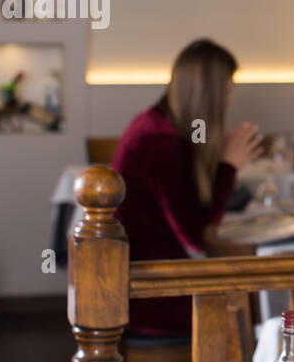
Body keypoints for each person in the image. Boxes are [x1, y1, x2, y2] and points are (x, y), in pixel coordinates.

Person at [112, 39, 263, 337]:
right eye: (228, 90)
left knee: (250, 262)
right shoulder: (162, 144)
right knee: (252, 288)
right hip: (151, 293)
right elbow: (195, 238)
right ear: (209, 94)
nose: (230, 100)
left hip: (140, 278)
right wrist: (228, 166)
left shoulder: (154, 123)